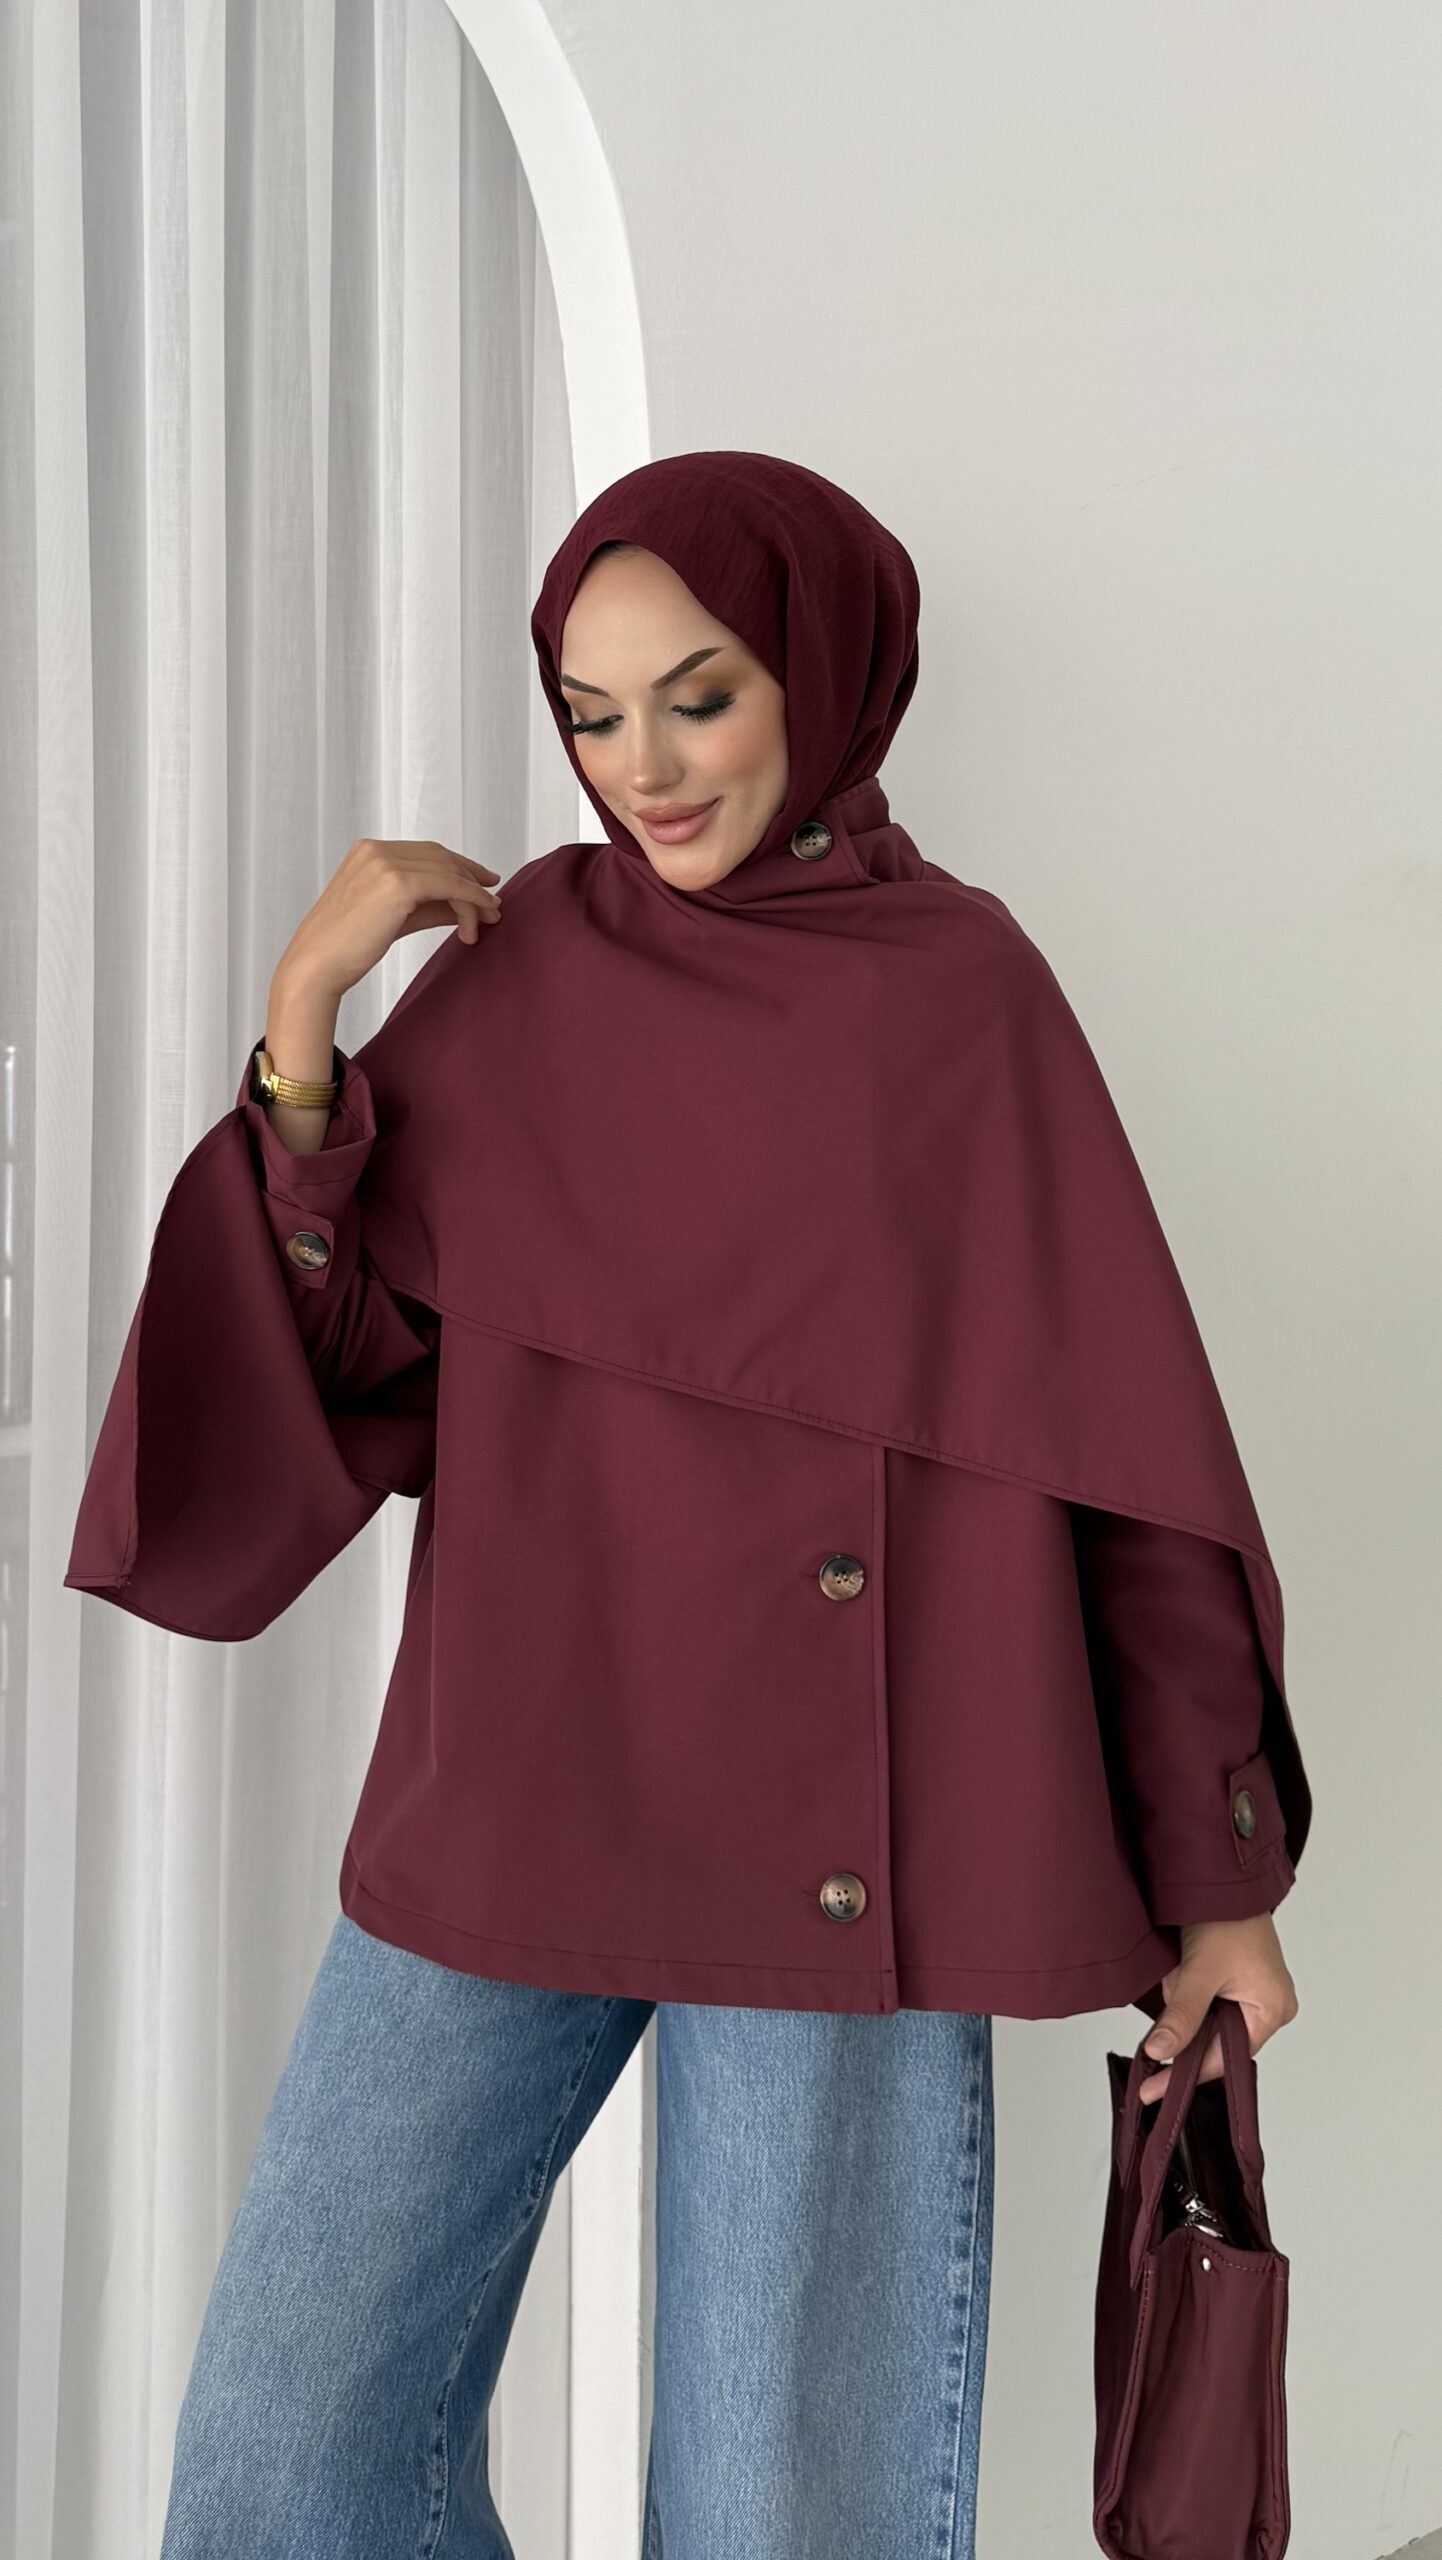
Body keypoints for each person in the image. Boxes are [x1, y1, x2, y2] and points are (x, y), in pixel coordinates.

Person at [66, 452, 1308, 2559]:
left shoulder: (960, 993)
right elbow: (346, 1379)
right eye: (592, 710)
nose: (641, 764)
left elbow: (1119, 1463)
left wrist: (1222, 1877)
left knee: (778, 2514)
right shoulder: (526, 970)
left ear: (823, 673)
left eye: (699, 696)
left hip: (847, 1841)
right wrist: (302, 1036)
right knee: (283, 2455)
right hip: (521, 1770)